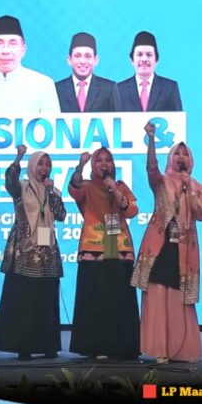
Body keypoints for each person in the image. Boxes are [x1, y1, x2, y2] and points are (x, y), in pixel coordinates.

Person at [131, 123, 202, 364]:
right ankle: (160, 349)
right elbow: (151, 168)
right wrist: (151, 140)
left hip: (184, 249)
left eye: (185, 154)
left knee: (179, 298)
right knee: (158, 295)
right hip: (160, 245)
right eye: (177, 153)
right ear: (171, 158)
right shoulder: (161, 181)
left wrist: (190, 190)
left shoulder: (197, 186)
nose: (181, 157)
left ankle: (182, 349)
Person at [0, 146, 66, 360]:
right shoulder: (22, 187)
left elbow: (61, 215)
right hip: (24, 251)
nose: (44, 168)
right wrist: (19, 157)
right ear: (32, 166)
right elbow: (9, 180)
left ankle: (48, 345)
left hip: (47, 252)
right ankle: (24, 346)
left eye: (48, 164)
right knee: (25, 300)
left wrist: (51, 193)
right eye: (40, 163)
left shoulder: (53, 190)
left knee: (46, 299)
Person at [68, 148, 140, 360]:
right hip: (94, 248)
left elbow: (131, 211)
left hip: (120, 249)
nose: (104, 164)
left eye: (108, 160)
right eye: (99, 160)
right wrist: (80, 165)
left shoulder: (120, 186)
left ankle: (124, 347)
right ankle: (97, 346)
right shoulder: (87, 187)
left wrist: (114, 190)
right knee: (97, 299)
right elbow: (73, 189)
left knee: (120, 300)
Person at [0, 15, 60, 114]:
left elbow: (52, 123)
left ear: (23, 50)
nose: (5, 51)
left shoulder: (44, 85)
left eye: (12, 44)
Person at [116, 31, 182, 112]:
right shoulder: (119, 90)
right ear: (132, 60)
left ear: (156, 60)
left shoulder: (170, 88)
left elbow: (178, 118)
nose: (144, 59)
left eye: (149, 55)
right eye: (139, 54)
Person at [55, 32, 120, 112]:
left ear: (96, 60)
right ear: (69, 60)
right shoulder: (57, 89)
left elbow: (118, 118)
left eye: (88, 56)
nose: (82, 61)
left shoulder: (109, 88)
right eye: (77, 56)